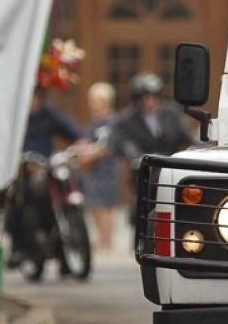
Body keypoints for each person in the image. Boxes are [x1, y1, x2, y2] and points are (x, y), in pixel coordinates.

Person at [8, 89, 85, 264]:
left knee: (71, 182)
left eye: (36, 97)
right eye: (30, 97)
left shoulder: (49, 114)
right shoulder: (17, 118)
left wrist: (81, 142)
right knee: (18, 201)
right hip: (24, 172)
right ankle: (18, 247)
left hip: (48, 169)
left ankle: (65, 249)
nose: (33, 102)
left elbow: (70, 130)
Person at [109, 72, 194, 205]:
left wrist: (196, 148)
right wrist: (135, 155)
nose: (149, 100)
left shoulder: (171, 113)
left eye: (153, 96)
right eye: (144, 96)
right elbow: (123, 142)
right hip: (144, 173)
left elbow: (186, 136)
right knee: (146, 211)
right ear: (136, 99)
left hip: (170, 169)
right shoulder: (126, 119)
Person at [78, 82, 123, 254]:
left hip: (107, 168)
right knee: (94, 204)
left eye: (96, 101)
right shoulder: (95, 121)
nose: (92, 104)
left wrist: (90, 154)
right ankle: (101, 238)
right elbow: (89, 140)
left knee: (105, 205)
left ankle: (107, 240)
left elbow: (107, 146)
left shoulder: (111, 122)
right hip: (93, 170)